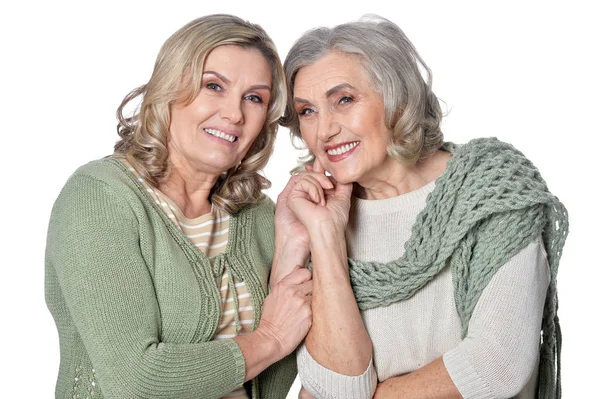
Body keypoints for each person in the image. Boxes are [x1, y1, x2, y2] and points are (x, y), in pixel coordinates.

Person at [278, 15, 568, 399]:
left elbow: (497, 366)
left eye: (344, 100)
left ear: (398, 97)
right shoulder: (319, 210)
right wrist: (326, 238)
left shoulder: (486, 186)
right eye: (308, 111)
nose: (324, 130)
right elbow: (332, 386)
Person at [45, 14, 312, 399]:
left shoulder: (258, 215)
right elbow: (135, 380)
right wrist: (268, 338)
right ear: (170, 88)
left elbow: (272, 381)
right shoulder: (100, 197)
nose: (234, 114)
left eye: (254, 98)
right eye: (213, 86)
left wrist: (290, 247)